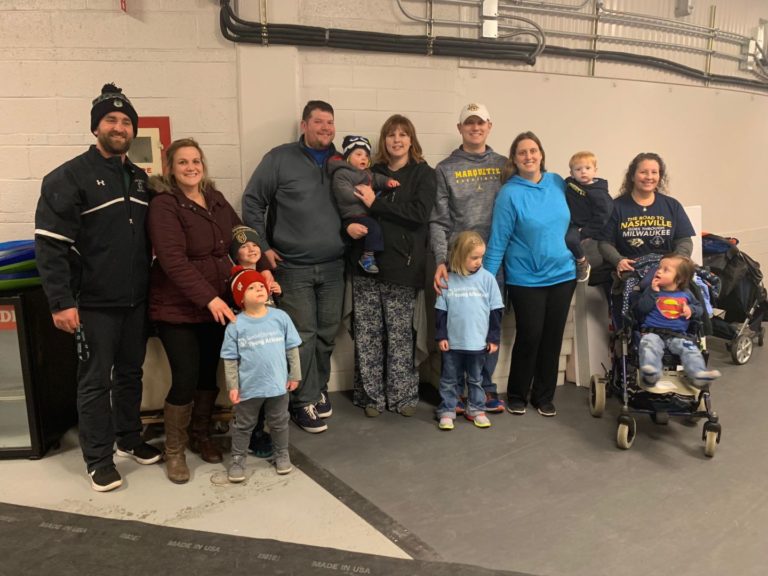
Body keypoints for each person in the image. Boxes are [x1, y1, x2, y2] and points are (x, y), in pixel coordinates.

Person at [34, 83, 161, 492]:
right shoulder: (68, 177)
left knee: (130, 374)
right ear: (95, 127)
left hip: (135, 301)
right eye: (111, 120)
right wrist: (60, 302)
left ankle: (128, 438)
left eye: (126, 122)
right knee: (94, 382)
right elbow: (50, 246)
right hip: (91, 304)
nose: (119, 127)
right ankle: (98, 459)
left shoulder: (139, 179)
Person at [242, 100, 344, 434]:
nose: (325, 128)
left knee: (326, 334)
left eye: (330, 122)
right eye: (318, 122)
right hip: (293, 266)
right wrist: (264, 248)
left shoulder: (341, 162)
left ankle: (317, 389)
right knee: (302, 336)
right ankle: (302, 402)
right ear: (304, 125)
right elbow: (253, 201)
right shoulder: (279, 159)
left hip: (334, 266)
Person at [147, 138, 241, 484]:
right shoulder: (164, 205)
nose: (191, 167)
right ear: (170, 168)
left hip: (216, 304)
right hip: (177, 308)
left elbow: (240, 236)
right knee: (185, 377)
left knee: (207, 374)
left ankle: (202, 435)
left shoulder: (215, 198)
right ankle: (175, 450)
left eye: (196, 161)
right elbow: (172, 261)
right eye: (183, 162)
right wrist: (209, 299)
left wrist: (261, 263)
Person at [347, 114, 436, 417]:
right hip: (366, 265)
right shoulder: (369, 173)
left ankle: (402, 396)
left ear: (412, 140)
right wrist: (347, 226)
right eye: (391, 134)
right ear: (383, 140)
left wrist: (377, 204)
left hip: (404, 267)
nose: (397, 140)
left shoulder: (424, 174)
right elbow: (348, 207)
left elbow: (419, 214)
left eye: (403, 134)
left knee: (400, 335)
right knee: (368, 333)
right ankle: (371, 397)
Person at [484, 131, 577, 417]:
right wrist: (484, 282)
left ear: (541, 154)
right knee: (530, 336)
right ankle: (516, 394)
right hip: (526, 279)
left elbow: (586, 212)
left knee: (553, 337)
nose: (529, 156)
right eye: (522, 152)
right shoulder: (509, 194)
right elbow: (498, 240)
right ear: (514, 159)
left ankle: (544, 396)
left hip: (564, 275)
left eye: (533, 150)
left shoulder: (558, 182)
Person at [430, 102, 507, 414]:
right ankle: (455, 393)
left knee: (488, 325)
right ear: (460, 128)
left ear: (489, 126)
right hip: (458, 266)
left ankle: (484, 391)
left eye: (481, 122)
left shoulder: (504, 165)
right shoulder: (444, 169)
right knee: (456, 326)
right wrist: (441, 260)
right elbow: (438, 220)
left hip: (494, 262)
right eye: (469, 123)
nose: (475, 128)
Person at [221, 267, 301, 482]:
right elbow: (230, 359)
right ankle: (237, 459)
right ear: (240, 298)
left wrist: (294, 375)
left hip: (278, 386)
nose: (259, 289)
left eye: (260, 285)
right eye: (251, 287)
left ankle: (282, 454)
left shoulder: (280, 317)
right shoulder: (236, 325)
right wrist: (233, 386)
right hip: (249, 388)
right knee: (243, 425)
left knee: (279, 422)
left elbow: (292, 348)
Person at [435, 231, 503, 430]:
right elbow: (441, 312)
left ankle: (476, 409)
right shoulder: (447, 280)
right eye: (474, 257)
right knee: (449, 380)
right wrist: (441, 336)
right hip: (452, 344)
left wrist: (493, 338)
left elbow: (496, 311)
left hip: (478, 344)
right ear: (459, 256)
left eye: (481, 257)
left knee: (476, 380)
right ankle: (447, 410)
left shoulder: (488, 279)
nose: (479, 262)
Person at [229, 225, 281, 458]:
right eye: (244, 246)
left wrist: (276, 292)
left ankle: (258, 432)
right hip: (251, 348)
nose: (251, 249)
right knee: (251, 396)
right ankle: (251, 436)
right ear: (235, 253)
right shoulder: (237, 278)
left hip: (267, 346)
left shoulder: (262, 275)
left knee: (266, 393)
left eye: (254, 244)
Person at [598, 152, 695, 275]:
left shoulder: (672, 205)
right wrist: (619, 260)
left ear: (660, 176)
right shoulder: (615, 207)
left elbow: (684, 240)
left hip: (667, 269)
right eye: (643, 172)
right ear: (632, 176)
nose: (649, 177)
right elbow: (605, 243)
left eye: (654, 172)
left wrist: (677, 261)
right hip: (631, 269)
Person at [635, 254, 721, 387]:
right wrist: (653, 292)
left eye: (665, 270)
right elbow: (642, 308)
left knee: (690, 349)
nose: (659, 271)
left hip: (678, 335)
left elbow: (699, 309)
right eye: (659, 268)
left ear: (679, 278)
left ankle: (698, 374)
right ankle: (652, 373)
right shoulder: (651, 291)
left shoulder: (686, 294)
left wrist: (691, 310)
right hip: (652, 333)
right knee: (649, 345)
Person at [328, 135, 399, 274]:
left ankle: (369, 255)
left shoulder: (366, 173)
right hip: (351, 215)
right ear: (348, 157)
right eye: (358, 154)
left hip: (364, 214)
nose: (363, 158)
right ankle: (367, 257)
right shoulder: (341, 173)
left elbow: (377, 179)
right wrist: (366, 194)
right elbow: (344, 194)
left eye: (366, 155)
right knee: (373, 228)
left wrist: (387, 182)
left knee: (376, 227)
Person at [564, 151, 612, 283]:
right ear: (572, 173)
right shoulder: (569, 183)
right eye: (578, 169)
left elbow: (602, 217)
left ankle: (582, 262)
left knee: (571, 240)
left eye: (587, 168)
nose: (583, 172)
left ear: (595, 170)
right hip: (569, 222)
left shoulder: (599, 193)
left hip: (583, 226)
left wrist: (585, 231)